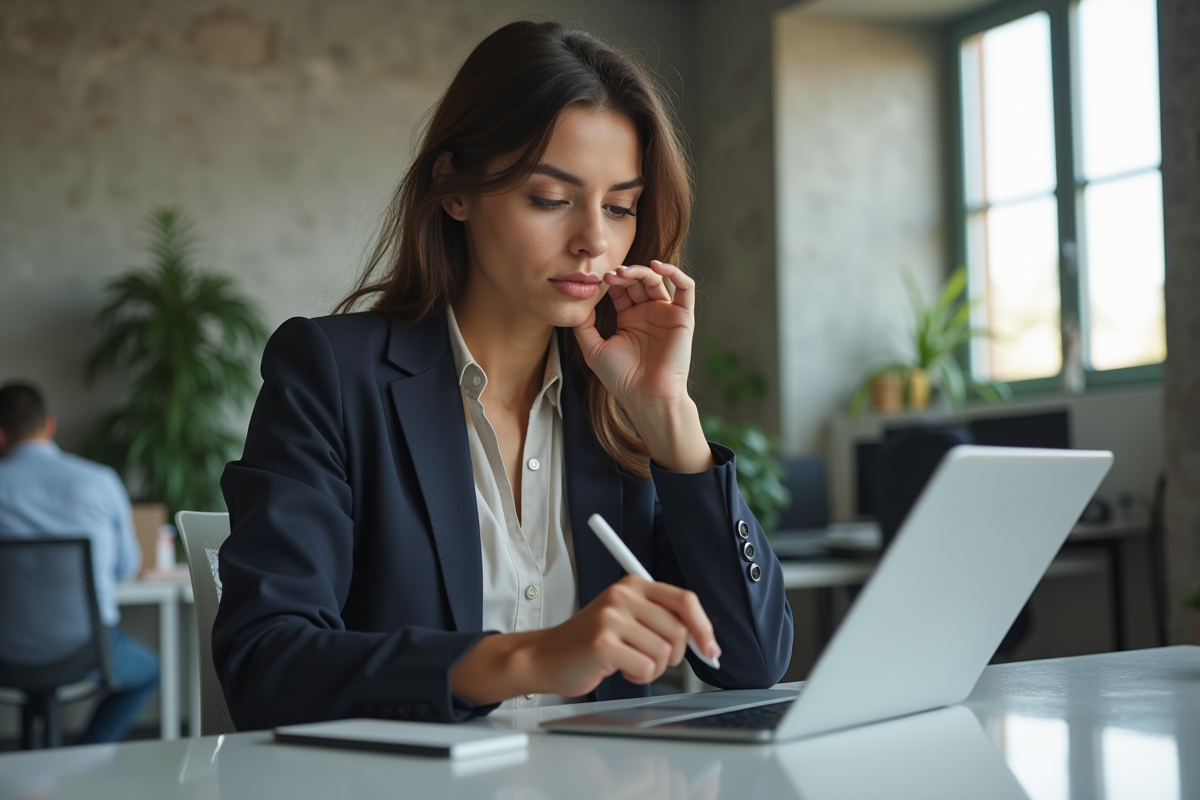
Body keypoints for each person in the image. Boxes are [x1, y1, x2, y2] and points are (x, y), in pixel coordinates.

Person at [213, 20, 793, 729]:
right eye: (550, 198)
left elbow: (753, 662)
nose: (594, 242)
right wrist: (530, 658)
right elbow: (265, 664)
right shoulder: (332, 374)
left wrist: (670, 414)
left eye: (620, 207)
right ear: (455, 190)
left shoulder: (617, 407)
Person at [0, 381, 160, 744]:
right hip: (87, 652)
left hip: (4, 651)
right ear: (49, 425)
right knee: (150, 671)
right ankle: (89, 754)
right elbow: (126, 567)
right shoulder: (99, 482)